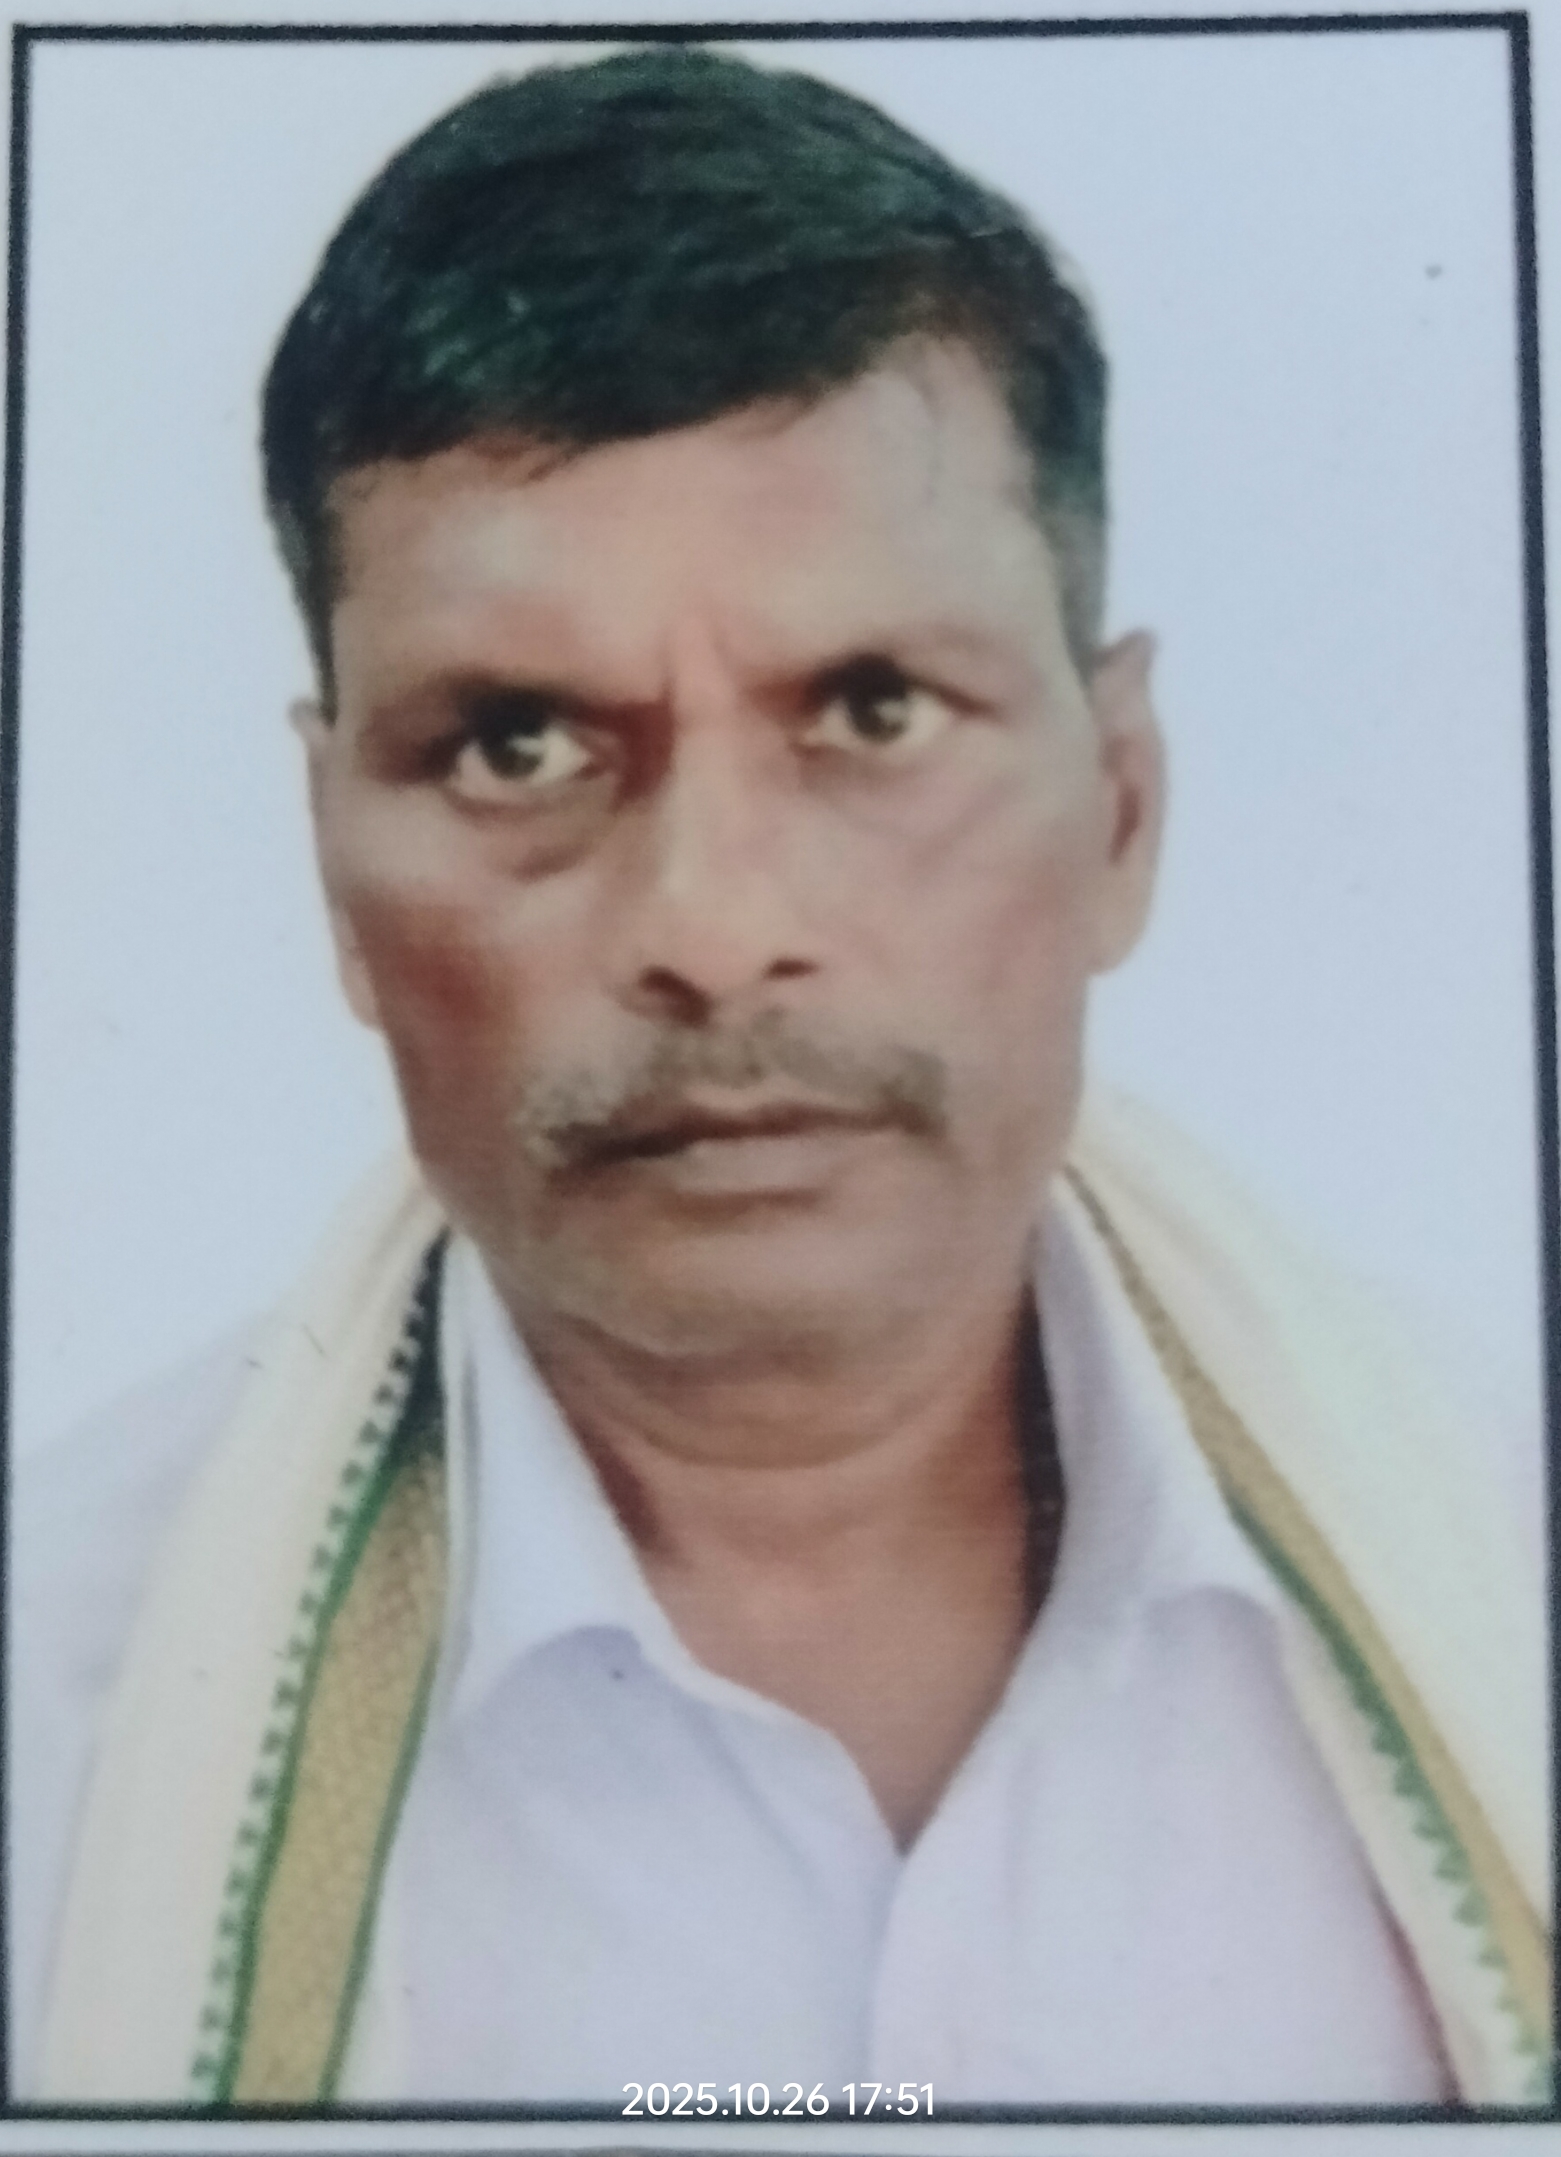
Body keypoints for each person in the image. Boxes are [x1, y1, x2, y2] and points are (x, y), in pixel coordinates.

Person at [14, 45, 1548, 2109]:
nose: (713, 928)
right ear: (330, 863)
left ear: (1119, 807)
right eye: (518, 743)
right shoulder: (54, 1732)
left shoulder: (1510, 1576)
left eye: (872, 707)